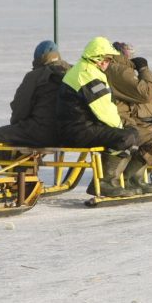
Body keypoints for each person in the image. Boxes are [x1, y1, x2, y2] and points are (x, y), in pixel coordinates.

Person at [57, 36, 139, 197]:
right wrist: (123, 130)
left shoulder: (83, 69)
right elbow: (104, 110)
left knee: (128, 134)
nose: (108, 63)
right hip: (78, 130)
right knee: (127, 137)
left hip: (76, 126)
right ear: (99, 59)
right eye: (108, 59)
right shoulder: (89, 75)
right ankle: (104, 183)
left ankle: (110, 181)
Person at [105, 42, 152, 194]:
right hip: (119, 119)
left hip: (119, 116)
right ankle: (125, 179)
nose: (131, 56)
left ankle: (131, 179)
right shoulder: (119, 70)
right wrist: (144, 69)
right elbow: (145, 93)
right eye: (128, 53)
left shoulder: (113, 68)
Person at [0, 40, 71, 149]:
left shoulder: (33, 77)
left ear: (38, 59)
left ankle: (21, 166)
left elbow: (20, 109)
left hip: (42, 133)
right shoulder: (73, 72)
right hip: (70, 134)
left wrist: (17, 125)